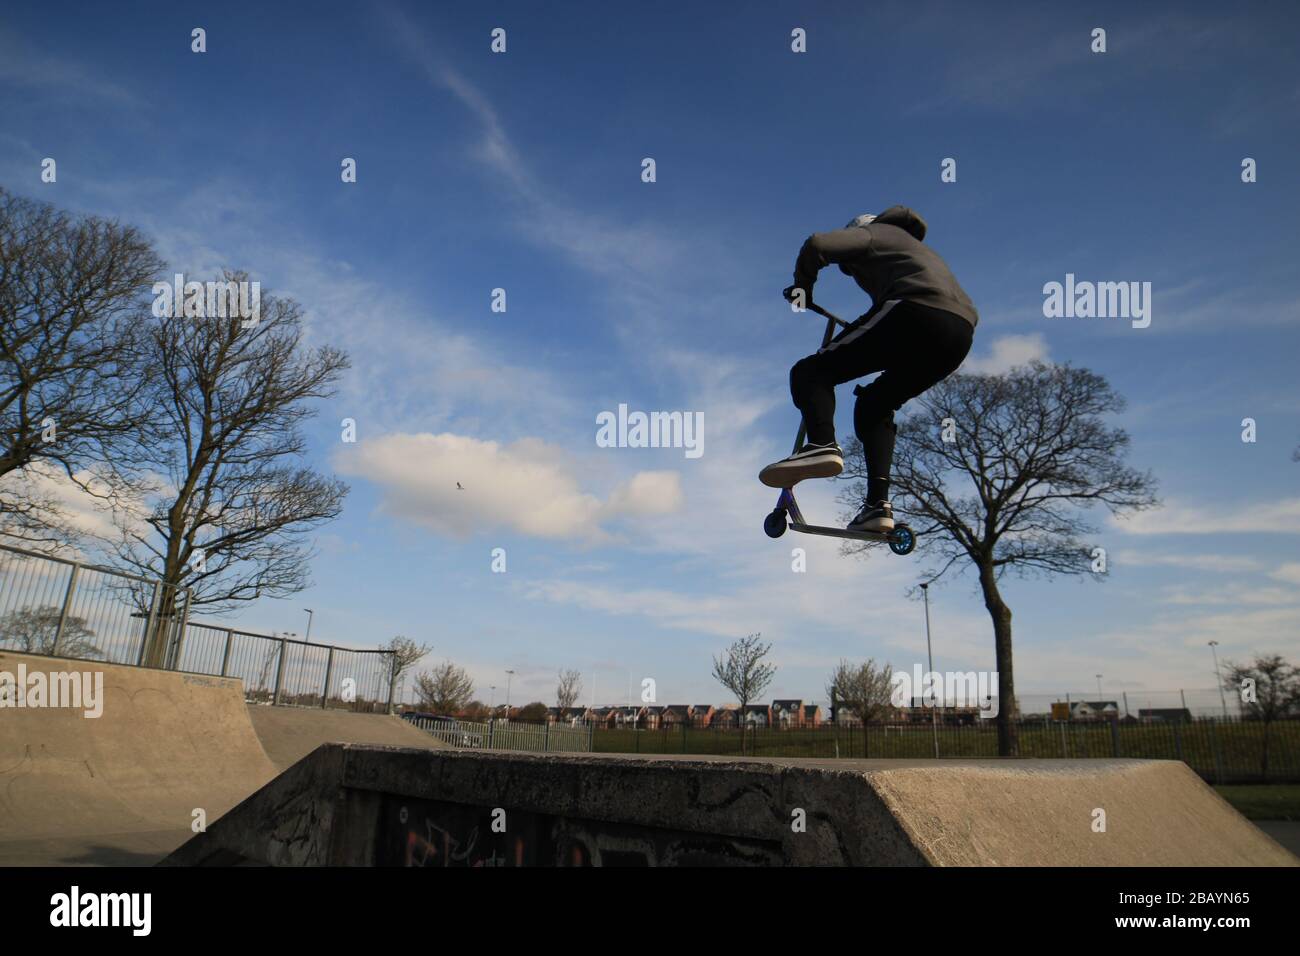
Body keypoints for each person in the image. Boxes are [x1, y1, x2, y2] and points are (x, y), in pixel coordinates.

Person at [759, 206, 978, 533]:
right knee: (875, 405)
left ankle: (821, 445)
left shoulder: (879, 232)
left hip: (915, 309)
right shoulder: (912, 253)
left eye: (851, 265)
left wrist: (802, 288)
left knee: (810, 372)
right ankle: (878, 506)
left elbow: (817, 244)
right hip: (958, 334)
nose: (854, 272)